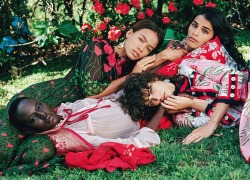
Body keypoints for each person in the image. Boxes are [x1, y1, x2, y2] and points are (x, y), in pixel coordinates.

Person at [1, 19, 189, 174]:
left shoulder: (130, 66)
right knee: (4, 145)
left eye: (148, 48)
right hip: (50, 96)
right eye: (141, 39)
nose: (142, 49)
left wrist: (163, 56)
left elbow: (140, 81)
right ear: (129, 33)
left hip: (65, 114)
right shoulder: (99, 47)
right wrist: (133, 75)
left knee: (31, 149)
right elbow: (92, 90)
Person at [120, 58, 246, 144]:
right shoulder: (181, 117)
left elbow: (232, 75)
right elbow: (233, 118)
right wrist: (193, 103)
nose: (157, 98)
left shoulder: (188, 67)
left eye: (152, 91)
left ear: (153, 79)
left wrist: (212, 123)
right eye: (151, 102)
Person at [8, 92, 161, 154]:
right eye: (33, 118)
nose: (43, 114)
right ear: (29, 130)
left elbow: (108, 98)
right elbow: (131, 143)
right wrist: (162, 109)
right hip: (144, 115)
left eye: (39, 107)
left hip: (133, 97)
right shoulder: (70, 138)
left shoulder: (64, 109)